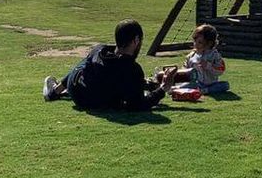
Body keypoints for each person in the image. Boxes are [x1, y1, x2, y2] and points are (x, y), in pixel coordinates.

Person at [42, 19, 176, 110]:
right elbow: (137, 105)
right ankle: (57, 91)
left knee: (84, 66)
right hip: (99, 102)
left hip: (78, 93)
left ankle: (55, 91)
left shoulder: (98, 50)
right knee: (92, 71)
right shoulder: (132, 69)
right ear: (136, 40)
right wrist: (162, 89)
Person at [157, 24, 229, 95]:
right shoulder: (191, 56)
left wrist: (208, 66)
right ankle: (175, 89)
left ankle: (205, 90)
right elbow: (185, 69)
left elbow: (220, 71)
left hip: (211, 83)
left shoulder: (215, 55)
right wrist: (182, 73)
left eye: (200, 42)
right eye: (195, 41)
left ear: (209, 43)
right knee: (189, 84)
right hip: (196, 83)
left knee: (225, 85)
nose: (196, 44)